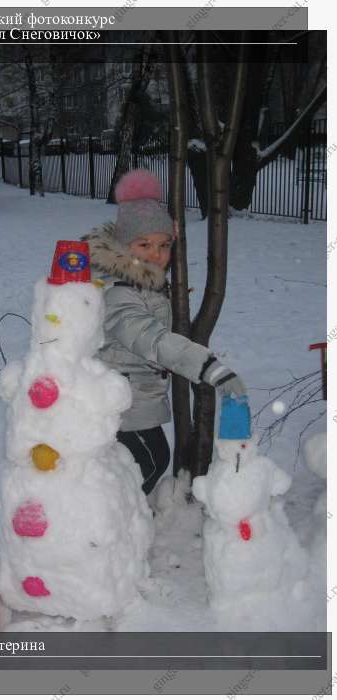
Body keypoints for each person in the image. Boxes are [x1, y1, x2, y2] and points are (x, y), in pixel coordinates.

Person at [82, 168, 246, 497]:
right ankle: (103, 521)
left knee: (144, 462)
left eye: (164, 245)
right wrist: (205, 365)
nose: (156, 254)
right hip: (123, 401)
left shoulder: (146, 283)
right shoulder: (119, 293)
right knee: (150, 461)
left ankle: (116, 519)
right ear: (123, 246)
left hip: (139, 397)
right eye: (144, 244)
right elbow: (151, 338)